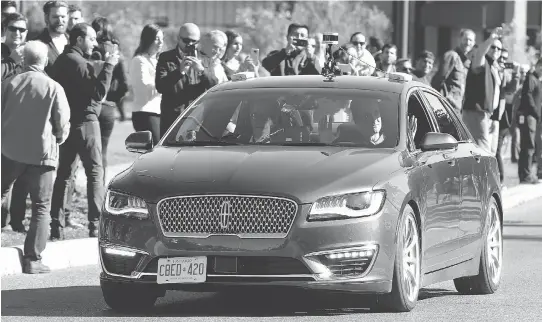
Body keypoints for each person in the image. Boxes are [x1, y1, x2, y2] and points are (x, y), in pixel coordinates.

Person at [1, 41, 70, 273]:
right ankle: (33, 259)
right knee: (41, 207)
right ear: (46, 61)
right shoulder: (54, 87)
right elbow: (61, 124)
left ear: (23, 61)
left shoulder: (7, 84)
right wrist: (59, 137)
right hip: (42, 156)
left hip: (9, 151)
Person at [49, 23, 120, 239]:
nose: (95, 43)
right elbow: (98, 93)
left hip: (68, 124)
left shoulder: (62, 60)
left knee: (64, 175)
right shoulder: (79, 63)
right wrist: (109, 65)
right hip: (86, 123)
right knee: (95, 173)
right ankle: (96, 225)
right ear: (79, 40)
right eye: (91, 39)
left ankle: (56, 226)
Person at [155, 23, 217, 137]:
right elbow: (160, 86)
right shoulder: (166, 58)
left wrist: (202, 71)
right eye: (187, 41)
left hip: (197, 119)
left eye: (194, 41)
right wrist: (179, 71)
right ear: (178, 39)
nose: (190, 45)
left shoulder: (205, 59)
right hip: (172, 120)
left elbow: (214, 85)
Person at [462, 27, 505, 155]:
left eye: (499, 48)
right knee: (482, 152)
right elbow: (480, 52)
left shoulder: (493, 67)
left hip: (487, 114)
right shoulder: (481, 62)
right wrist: (491, 38)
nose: (496, 50)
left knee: (489, 152)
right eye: (493, 47)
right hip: (476, 112)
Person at [129, 24, 163, 145]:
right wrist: (166, 84)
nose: (161, 42)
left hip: (158, 112)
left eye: (162, 39)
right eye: (157, 39)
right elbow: (144, 90)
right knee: (154, 153)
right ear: (148, 39)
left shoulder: (158, 61)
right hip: (145, 114)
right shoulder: (139, 61)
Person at [431, 29, 476, 112]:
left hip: (459, 108)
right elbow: (438, 80)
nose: (468, 43)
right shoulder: (451, 56)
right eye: (465, 39)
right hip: (448, 107)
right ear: (459, 39)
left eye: (471, 40)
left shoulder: (468, 63)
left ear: (474, 43)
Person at [517, 58, 542, 184]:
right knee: (528, 146)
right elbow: (528, 96)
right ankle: (526, 175)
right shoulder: (531, 78)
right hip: (529, 117)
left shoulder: (537, 79)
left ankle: (524, 174)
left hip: (532, 117)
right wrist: (536, 114)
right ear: (537, 65)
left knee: (528, 145)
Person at [33, 1, 69, 76]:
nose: (60, 21)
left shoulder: (73, 40)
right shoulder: (37, 44)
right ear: (46, 18)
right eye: (55, 17)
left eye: (63, 16)